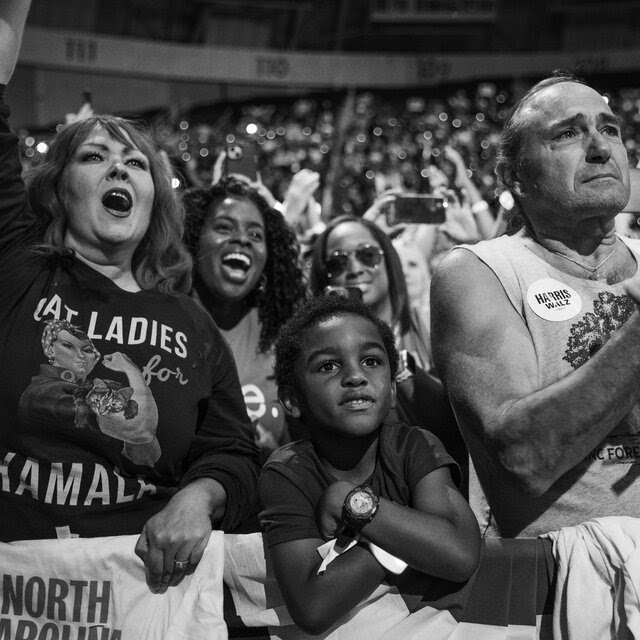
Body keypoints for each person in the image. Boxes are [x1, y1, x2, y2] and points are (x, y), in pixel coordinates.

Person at [0, 0, 259, 594]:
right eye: (95, 157)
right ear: (60, 192)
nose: (119, 169)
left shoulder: (191, 324)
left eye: (135, 163)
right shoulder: (16, 271)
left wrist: (200, 494)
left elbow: (235, 455)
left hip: (138, 598)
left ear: (153, 200)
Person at [431, 71, 640, 539]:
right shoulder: (478, 272)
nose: (600, 147)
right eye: (567, 133)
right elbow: (523, 458)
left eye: (610, 129)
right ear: (514, 177)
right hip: (555, 586)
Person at [259, 295, 479, 634]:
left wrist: (351, 504)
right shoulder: (286, 472)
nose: (355, 376)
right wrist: (385, 532)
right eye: (328, 366)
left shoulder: (415, 445)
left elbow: (459, 554)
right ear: (292, 400)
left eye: (372, 361)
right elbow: (312, 608)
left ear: (392, 388)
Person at [308, 215, 467, 482]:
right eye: (338, 261)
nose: (354, 268)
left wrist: (403, 370)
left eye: (367, 255)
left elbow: (460, 419)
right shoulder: (314, 351)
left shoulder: (431, 324)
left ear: (389, 261)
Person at [183, 177, 307, 458]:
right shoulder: (163, 320)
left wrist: (273, 456)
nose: (241, 239)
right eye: (224, 227)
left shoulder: (283, 332)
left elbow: (297, 446)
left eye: (255, 235)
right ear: (193, 240)